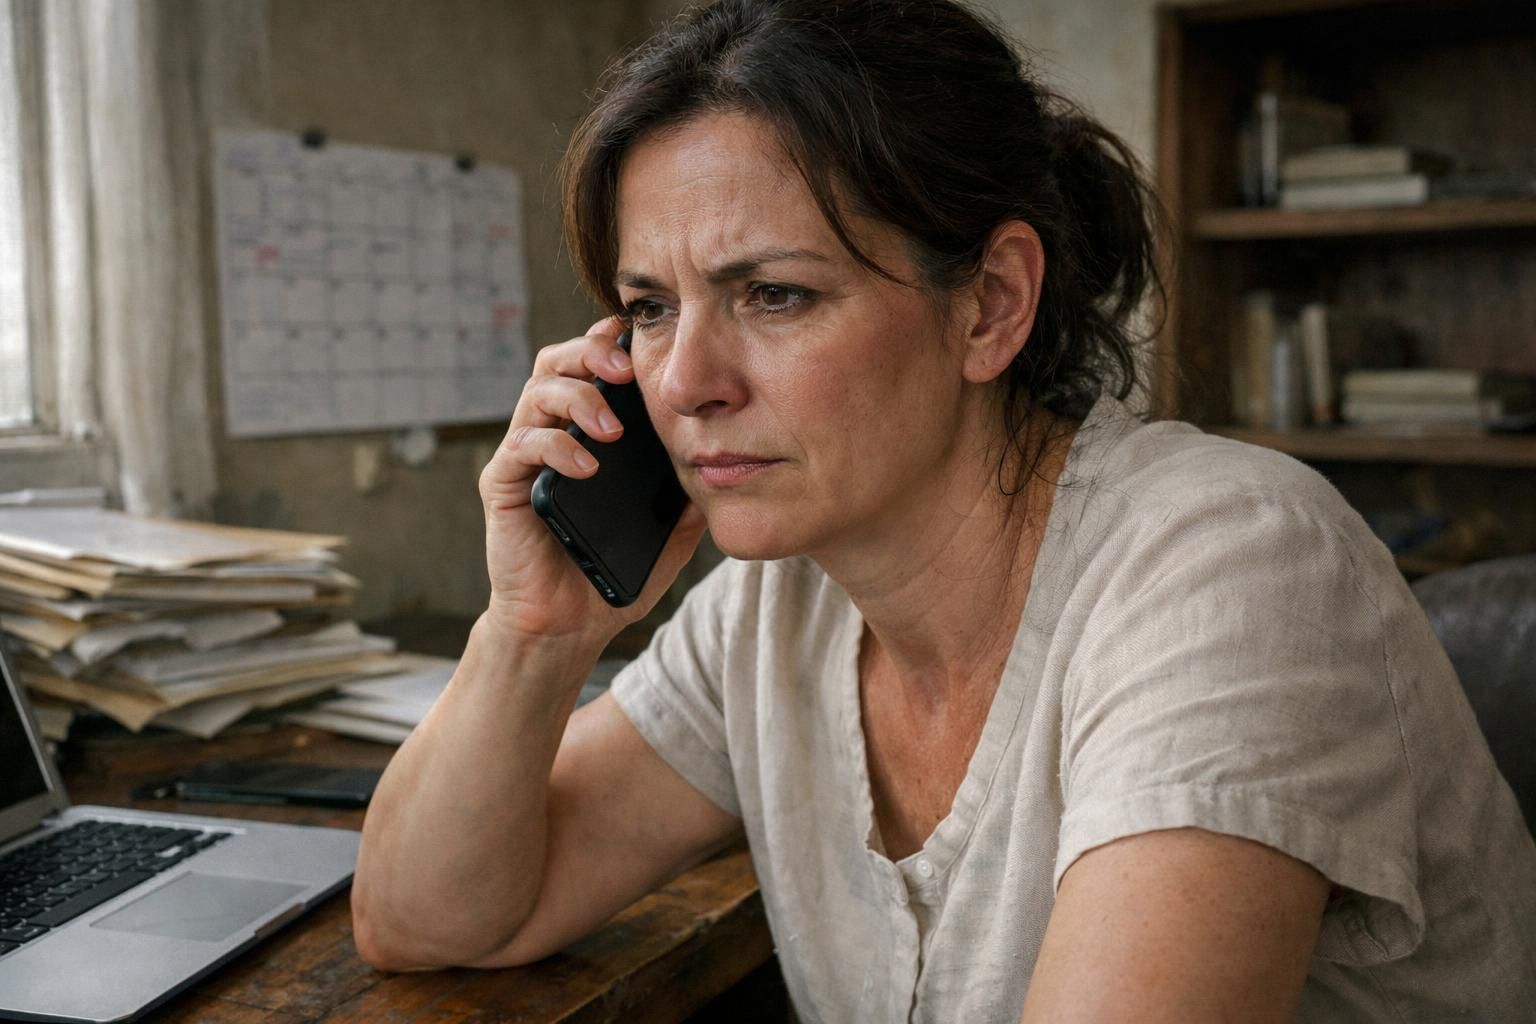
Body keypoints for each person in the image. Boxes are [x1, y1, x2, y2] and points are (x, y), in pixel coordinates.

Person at [351, 0, 1536, 1019]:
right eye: (648, 307)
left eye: (771, 293)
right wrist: (533, 633)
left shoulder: (1229, 567)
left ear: (991, 306)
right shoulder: (776, 605)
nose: (682, 382)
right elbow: (426, 916)